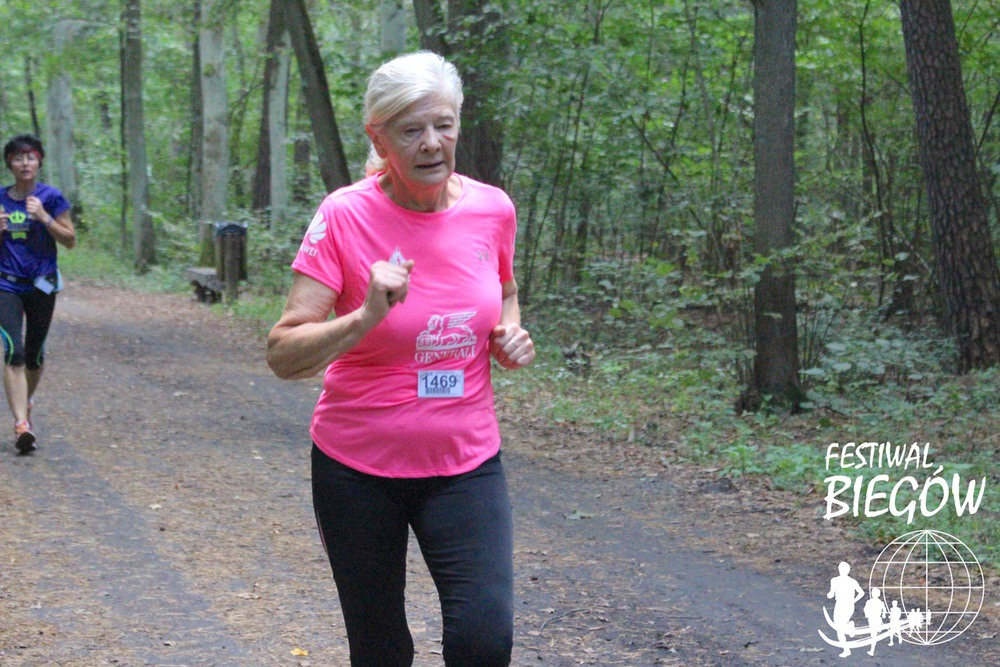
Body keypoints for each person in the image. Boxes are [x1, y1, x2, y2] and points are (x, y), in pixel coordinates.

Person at [267, 51, 534, 666]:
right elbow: (282, 352)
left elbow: (505, 288)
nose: (431, 143)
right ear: (379, 137)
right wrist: (364, 317)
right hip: (357, 466)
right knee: (382, 650)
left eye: (443, 124)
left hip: (464, 460)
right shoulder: (344, 215)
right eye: (411, 130)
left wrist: (509, 332)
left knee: (484, 641)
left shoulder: (493, 209)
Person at [0, 134, 76, 454]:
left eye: (30, 157)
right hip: (6, 284)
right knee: (13, 351)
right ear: (10, 165)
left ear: (39, 162)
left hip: (42, 284)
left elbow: (70, 240)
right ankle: (22, 425)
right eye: (18, 158)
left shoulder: (52, 197)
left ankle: (26, 403)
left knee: (34, 356)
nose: (25, 163)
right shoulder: (0, 198)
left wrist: (45, 218)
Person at [826, 561, 865, 657]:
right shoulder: (835, 580)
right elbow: (832, 593)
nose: (842, 571)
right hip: (840, 604)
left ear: (848, 570)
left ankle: (849, 628)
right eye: (841, 569)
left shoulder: (851, 581)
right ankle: (846, 648)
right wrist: (829, 595)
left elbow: (861, 593)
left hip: (846, 604)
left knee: (840, 628)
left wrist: (853, 601)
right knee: (838, 628)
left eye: (844, 569)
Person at [862, 587, 889, 656]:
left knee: (873, 635)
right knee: (873, 634)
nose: (874, 594)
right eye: (873, 593)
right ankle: (872, 650)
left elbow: (884, 609)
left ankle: (872, 650)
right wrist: (867, 614)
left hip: (876, 618)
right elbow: (865, 609)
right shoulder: (869, 602)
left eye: (876, 593)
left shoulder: (880, 602)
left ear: (878, 594)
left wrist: (883, 614)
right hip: (871, 619)